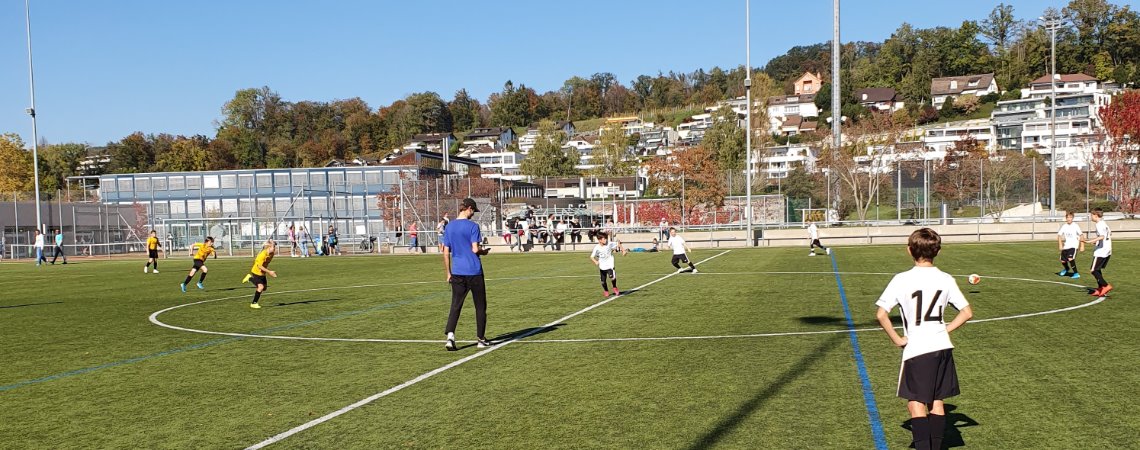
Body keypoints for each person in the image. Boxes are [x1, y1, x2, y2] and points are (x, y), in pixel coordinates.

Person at [874, 228, 973, 450]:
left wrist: (898, 339)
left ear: (909, 251)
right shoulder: (945, 279)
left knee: (916, 405)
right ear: (937, 251)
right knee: (937, 402)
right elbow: (967, 312)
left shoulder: (902, 279)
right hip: (942, 347)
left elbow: (881, 314)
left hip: (918, 349)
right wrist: (944, 330)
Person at [442, 198, 492, 351]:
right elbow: (475, 249)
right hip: (474, 271)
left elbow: (445, 252)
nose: (473, 214)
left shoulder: (449, 227)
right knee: (480, 306)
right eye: (473, 211)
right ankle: (480, 339)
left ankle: (450, 337)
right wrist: (484, 252)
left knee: (455, 305)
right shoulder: (472, 227)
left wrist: (448, 272)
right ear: (468, 208)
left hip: (457, 272)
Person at [1082, 208, 1113, 296]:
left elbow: (1102, 236)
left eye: (1091, 215)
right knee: (1097, 269)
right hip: (1107, 249)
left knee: (1093, 270)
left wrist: (1090, 241)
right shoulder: (1104, 224)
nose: (1090, 217)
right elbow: (1109, 234)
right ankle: (1100, 289)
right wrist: (1097, 242)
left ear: (1096, 215)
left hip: (1101, 251)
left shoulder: (1099, 224)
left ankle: (1106, 286)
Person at [590, 232, 628, 297]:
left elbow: (618, 243)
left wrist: (623, 250)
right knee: (603, 282)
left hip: (610, 265)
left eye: (606, 239)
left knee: (612, 277)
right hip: (602, 266)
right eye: (604, 239)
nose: (606, 240)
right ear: (599, 240)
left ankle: (614, 287)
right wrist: (595, 261)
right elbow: (591, 257)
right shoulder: (597, 248)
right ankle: (606, 290)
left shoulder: (609, 244)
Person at [248, 240, 278, 309]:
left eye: (275, 247)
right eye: (273, 247)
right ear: (269, 247)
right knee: (260, 287)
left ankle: (249, 278)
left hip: (262, 273)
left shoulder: (271, 254)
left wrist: (272, 242)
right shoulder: (262, 255)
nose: (274, 249)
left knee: (264, 288)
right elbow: (260, 266)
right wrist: (269, 272)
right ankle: (254, 303)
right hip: (256, 272)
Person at [1056, 211, 1083, 279]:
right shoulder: (1064, 226)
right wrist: (1060, 244)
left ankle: (1076, 273)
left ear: (1072, 218)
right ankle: (1066, 269)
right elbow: (1059, 235)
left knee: (1070, 258)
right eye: (1067, 217)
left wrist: (1082, 245)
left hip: (1074, 246)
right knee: (1063, 260)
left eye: (1070, 217)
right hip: (1066, 246)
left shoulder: (1075, 226)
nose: (1068, 219)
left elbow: (1081, 235)